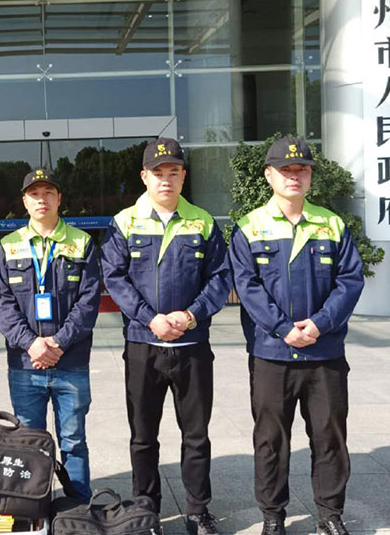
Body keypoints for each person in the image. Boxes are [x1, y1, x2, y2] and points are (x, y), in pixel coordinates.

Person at [228, 136, 364, 535]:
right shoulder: (249, 227)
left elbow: (350, 281)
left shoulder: (331, 224)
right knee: (271, 440)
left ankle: (330, 515)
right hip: (272, 353)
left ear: (310, 177)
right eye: (285, 170)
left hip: (324, 353)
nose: (294, 176)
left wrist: (320, 324)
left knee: (329, 437)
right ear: (269, 175)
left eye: (301, 169)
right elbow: (247, 286)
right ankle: (273, 516)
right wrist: (284, 328)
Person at [101, 138, 231, 535]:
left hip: (192, 347)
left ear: (183, 176)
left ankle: (197, 511)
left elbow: (220, 277)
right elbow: (115, 277)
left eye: (173, 172)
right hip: (144, 346)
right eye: (158, 173)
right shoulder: (125, 222)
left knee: (196, 435)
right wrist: (149, 319)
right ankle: (147, 510)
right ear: (144, 177)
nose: (166, 180)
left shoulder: (202, 222)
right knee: (143, 437)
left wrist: (191, 316)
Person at [0, 168, 101, 501]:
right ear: (25, 201)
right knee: (28, 441)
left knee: (73, 440)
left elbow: (89, 301)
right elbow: (2, 304)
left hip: (71, 362)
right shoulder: (8, 246)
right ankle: (33, 507)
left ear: (59, 198)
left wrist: (58, 342)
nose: (42, 200)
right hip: (26, 365)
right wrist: (32, 344)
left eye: (48, 193)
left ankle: (77, 507)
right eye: (34, 194)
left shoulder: (81, 243)